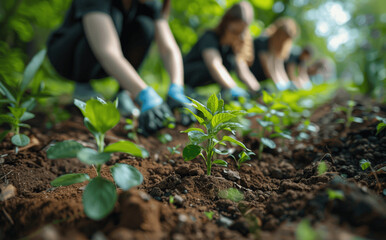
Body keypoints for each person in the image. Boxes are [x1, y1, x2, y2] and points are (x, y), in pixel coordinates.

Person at [46, 0, 193, 136]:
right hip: (67, 56)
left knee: (145, 26)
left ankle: (124, 92)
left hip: (108, 62)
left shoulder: (148, 3)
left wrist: (177, 88)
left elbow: (168, 49)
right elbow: (108, 51)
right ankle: (83, 86)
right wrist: (145, 94)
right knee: (113, 16)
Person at [183, 1, 261, 101]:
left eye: (240, 34)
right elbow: (215, 65)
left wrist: (258, 92)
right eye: (234, 32)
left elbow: (243, 71)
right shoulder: (210, 37)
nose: (236, 37)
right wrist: (233, 88)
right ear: (226, 23)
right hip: (189, 80)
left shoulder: (232, 47)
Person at [249, 17, 298, 91]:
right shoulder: (262, 42)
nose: (283, 41)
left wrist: (286, 83)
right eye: (282, 37)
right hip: (252, 78)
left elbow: (279, 68)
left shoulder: (278, 49)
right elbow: (268, 69)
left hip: (264, 82)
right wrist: (279, 85)